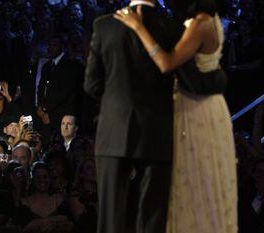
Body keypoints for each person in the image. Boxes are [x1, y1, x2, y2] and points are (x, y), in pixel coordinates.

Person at [84, 0, 230, 233]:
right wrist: (220, 77)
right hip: (156, 133)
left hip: (113, 131)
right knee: (152, 215)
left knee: (110, 217)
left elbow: (91, 85)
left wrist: (116, 106)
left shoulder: (104, 25)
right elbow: (191, 81)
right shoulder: (172, 27)